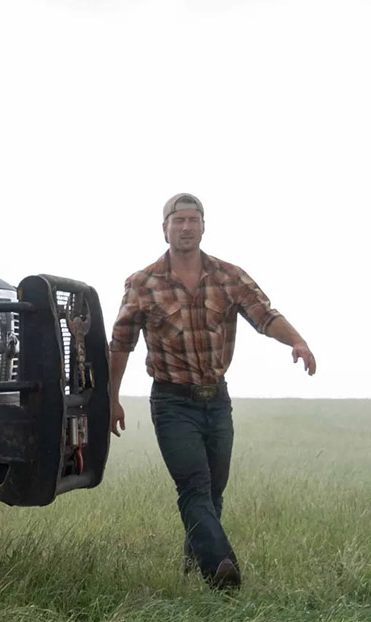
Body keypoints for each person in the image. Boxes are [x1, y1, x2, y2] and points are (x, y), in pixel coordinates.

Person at [108, 193, 316, 591]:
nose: (186, 227)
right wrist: (112, 398)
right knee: (193, 487)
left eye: (193, 220)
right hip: (171, 402)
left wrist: (297, 341)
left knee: (213, 491)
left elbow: (265, 316)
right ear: (165, 229)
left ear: (203, 226)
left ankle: (194, 561)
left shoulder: (228, 276)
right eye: (178, 220)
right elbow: (120, 345)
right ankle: (222, 571)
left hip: (216, 400)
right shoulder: (143, 283)